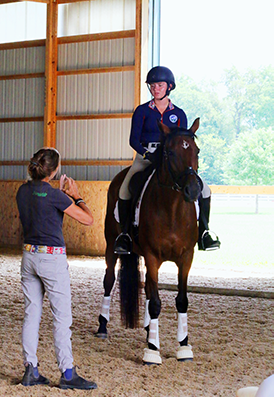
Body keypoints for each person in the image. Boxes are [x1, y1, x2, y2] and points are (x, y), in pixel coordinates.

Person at [114, 66, 221, 255]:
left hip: (172, 160)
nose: (156, 89)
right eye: (153, 85)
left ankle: (204, 232)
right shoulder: (142, 111)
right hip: (146, 156)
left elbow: (183, 141)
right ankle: (125, 235)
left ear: (169, 87)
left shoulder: (179, 113)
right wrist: (147, 155)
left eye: (160, 85)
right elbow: (133, 140)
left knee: (205, 189)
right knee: (124, 190)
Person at [16, 147, 97, 390]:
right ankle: (68, 372)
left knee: (32, 313)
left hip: (28, 255)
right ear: (55, 170)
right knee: (62, 318)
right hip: (52, 258)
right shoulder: (55, 196)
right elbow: (88, 219)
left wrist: (60, 196)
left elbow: (41, 206)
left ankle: (31, 368)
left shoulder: (22, 191)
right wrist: (76, 196)